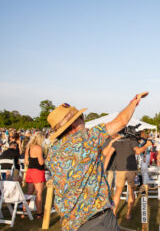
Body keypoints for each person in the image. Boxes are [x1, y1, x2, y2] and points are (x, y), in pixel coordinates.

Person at [46, 92, 148, 231]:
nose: (84, 120)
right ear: (73, 124)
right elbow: (121, 121)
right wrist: (134, 102)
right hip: (96, 220)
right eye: (80, 117)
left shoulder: (53, 152)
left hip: (71, 222)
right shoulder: (85, 139)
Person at [103, 130, 151, 219]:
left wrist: (103, 169)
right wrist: (146, 145)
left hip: (119, 170)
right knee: (131, 191)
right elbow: (138, 151)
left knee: (118, 192)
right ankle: (128, 214)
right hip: (131, 169)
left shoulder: (117, 141)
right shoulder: (132, 141)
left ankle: (114, 213)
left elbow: (107, 155)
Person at [24, 132, 46, 219]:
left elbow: (26, 162)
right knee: (39, 193)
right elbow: (41, 162)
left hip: (30, 171)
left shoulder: (28, 148)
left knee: (29, 192)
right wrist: (46, 159)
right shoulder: (38, 148)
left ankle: (24, 211)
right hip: (38, 172)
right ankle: (39, 213)